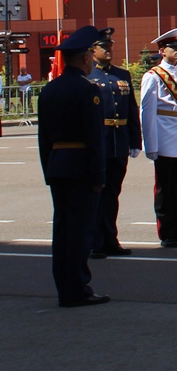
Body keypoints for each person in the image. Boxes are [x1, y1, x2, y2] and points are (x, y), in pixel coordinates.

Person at [38, 25, 109, 308]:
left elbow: (44, 138)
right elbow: (94, 138)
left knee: (63, 230)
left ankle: (64, 287)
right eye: (90, 55)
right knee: (81, 231)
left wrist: (49, 169)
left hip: (58, 167)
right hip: (81, 169)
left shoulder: (49, 91)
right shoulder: (86, 91)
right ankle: (78, 289)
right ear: (84, 58)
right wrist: (98, 176)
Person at [140, 28, 177, 248]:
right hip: (164, 135)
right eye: (172, 48)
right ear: (162, 51)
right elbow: (147, 112)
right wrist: (150, 144)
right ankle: (167, 232)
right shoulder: (153, 76)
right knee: (165, 189)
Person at [87, 27, 142, 258]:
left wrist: (134, 139)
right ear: (93, 50)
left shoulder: (122, 75)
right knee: (97, 194)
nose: (109, 50)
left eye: (110, 46)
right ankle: (95, 242)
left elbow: (131, 108)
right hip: (100, 141)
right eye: (104, 47)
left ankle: (110, 239)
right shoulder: (88, 76)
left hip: (119, 142)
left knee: (112, 194)